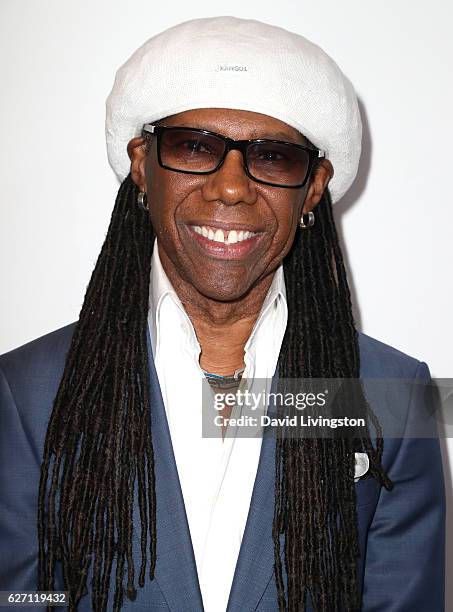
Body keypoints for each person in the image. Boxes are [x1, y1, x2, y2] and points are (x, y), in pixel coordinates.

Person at [0, 16, 445, 612]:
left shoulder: (388, 395)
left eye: (274, 157)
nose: (230, 188)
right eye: (195, 147)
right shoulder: (27, 392)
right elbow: (24, 597)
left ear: (312, 188)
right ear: (142, 162)